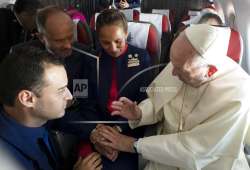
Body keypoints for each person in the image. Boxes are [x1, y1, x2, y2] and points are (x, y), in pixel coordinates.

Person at [96, 24, 250, 170]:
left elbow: (196, 150)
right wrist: (140, 113)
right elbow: (160, 101)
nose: (173, 73)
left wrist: (132, 144)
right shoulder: (181, 62)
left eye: (180, 70)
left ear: (210, 71)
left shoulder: (238, 94)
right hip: (163, 157)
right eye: (172, 63)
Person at [0, 46, 102, 170]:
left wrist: (95, 134)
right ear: (27, 99)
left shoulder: (36, 116)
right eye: (61, 90)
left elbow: (65, 120)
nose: (70, 96)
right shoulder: (8, 160)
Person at [78, 9, 154, 170]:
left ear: (126, 33)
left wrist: (118, 129)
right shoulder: (89, 60)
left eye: (118, 41)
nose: (112, 48)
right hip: (95, 129)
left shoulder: (142, 58)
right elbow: (83, 100)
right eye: (105, 42)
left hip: (128, 129)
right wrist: (97, 131)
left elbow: (144, 102)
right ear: (98, 39)